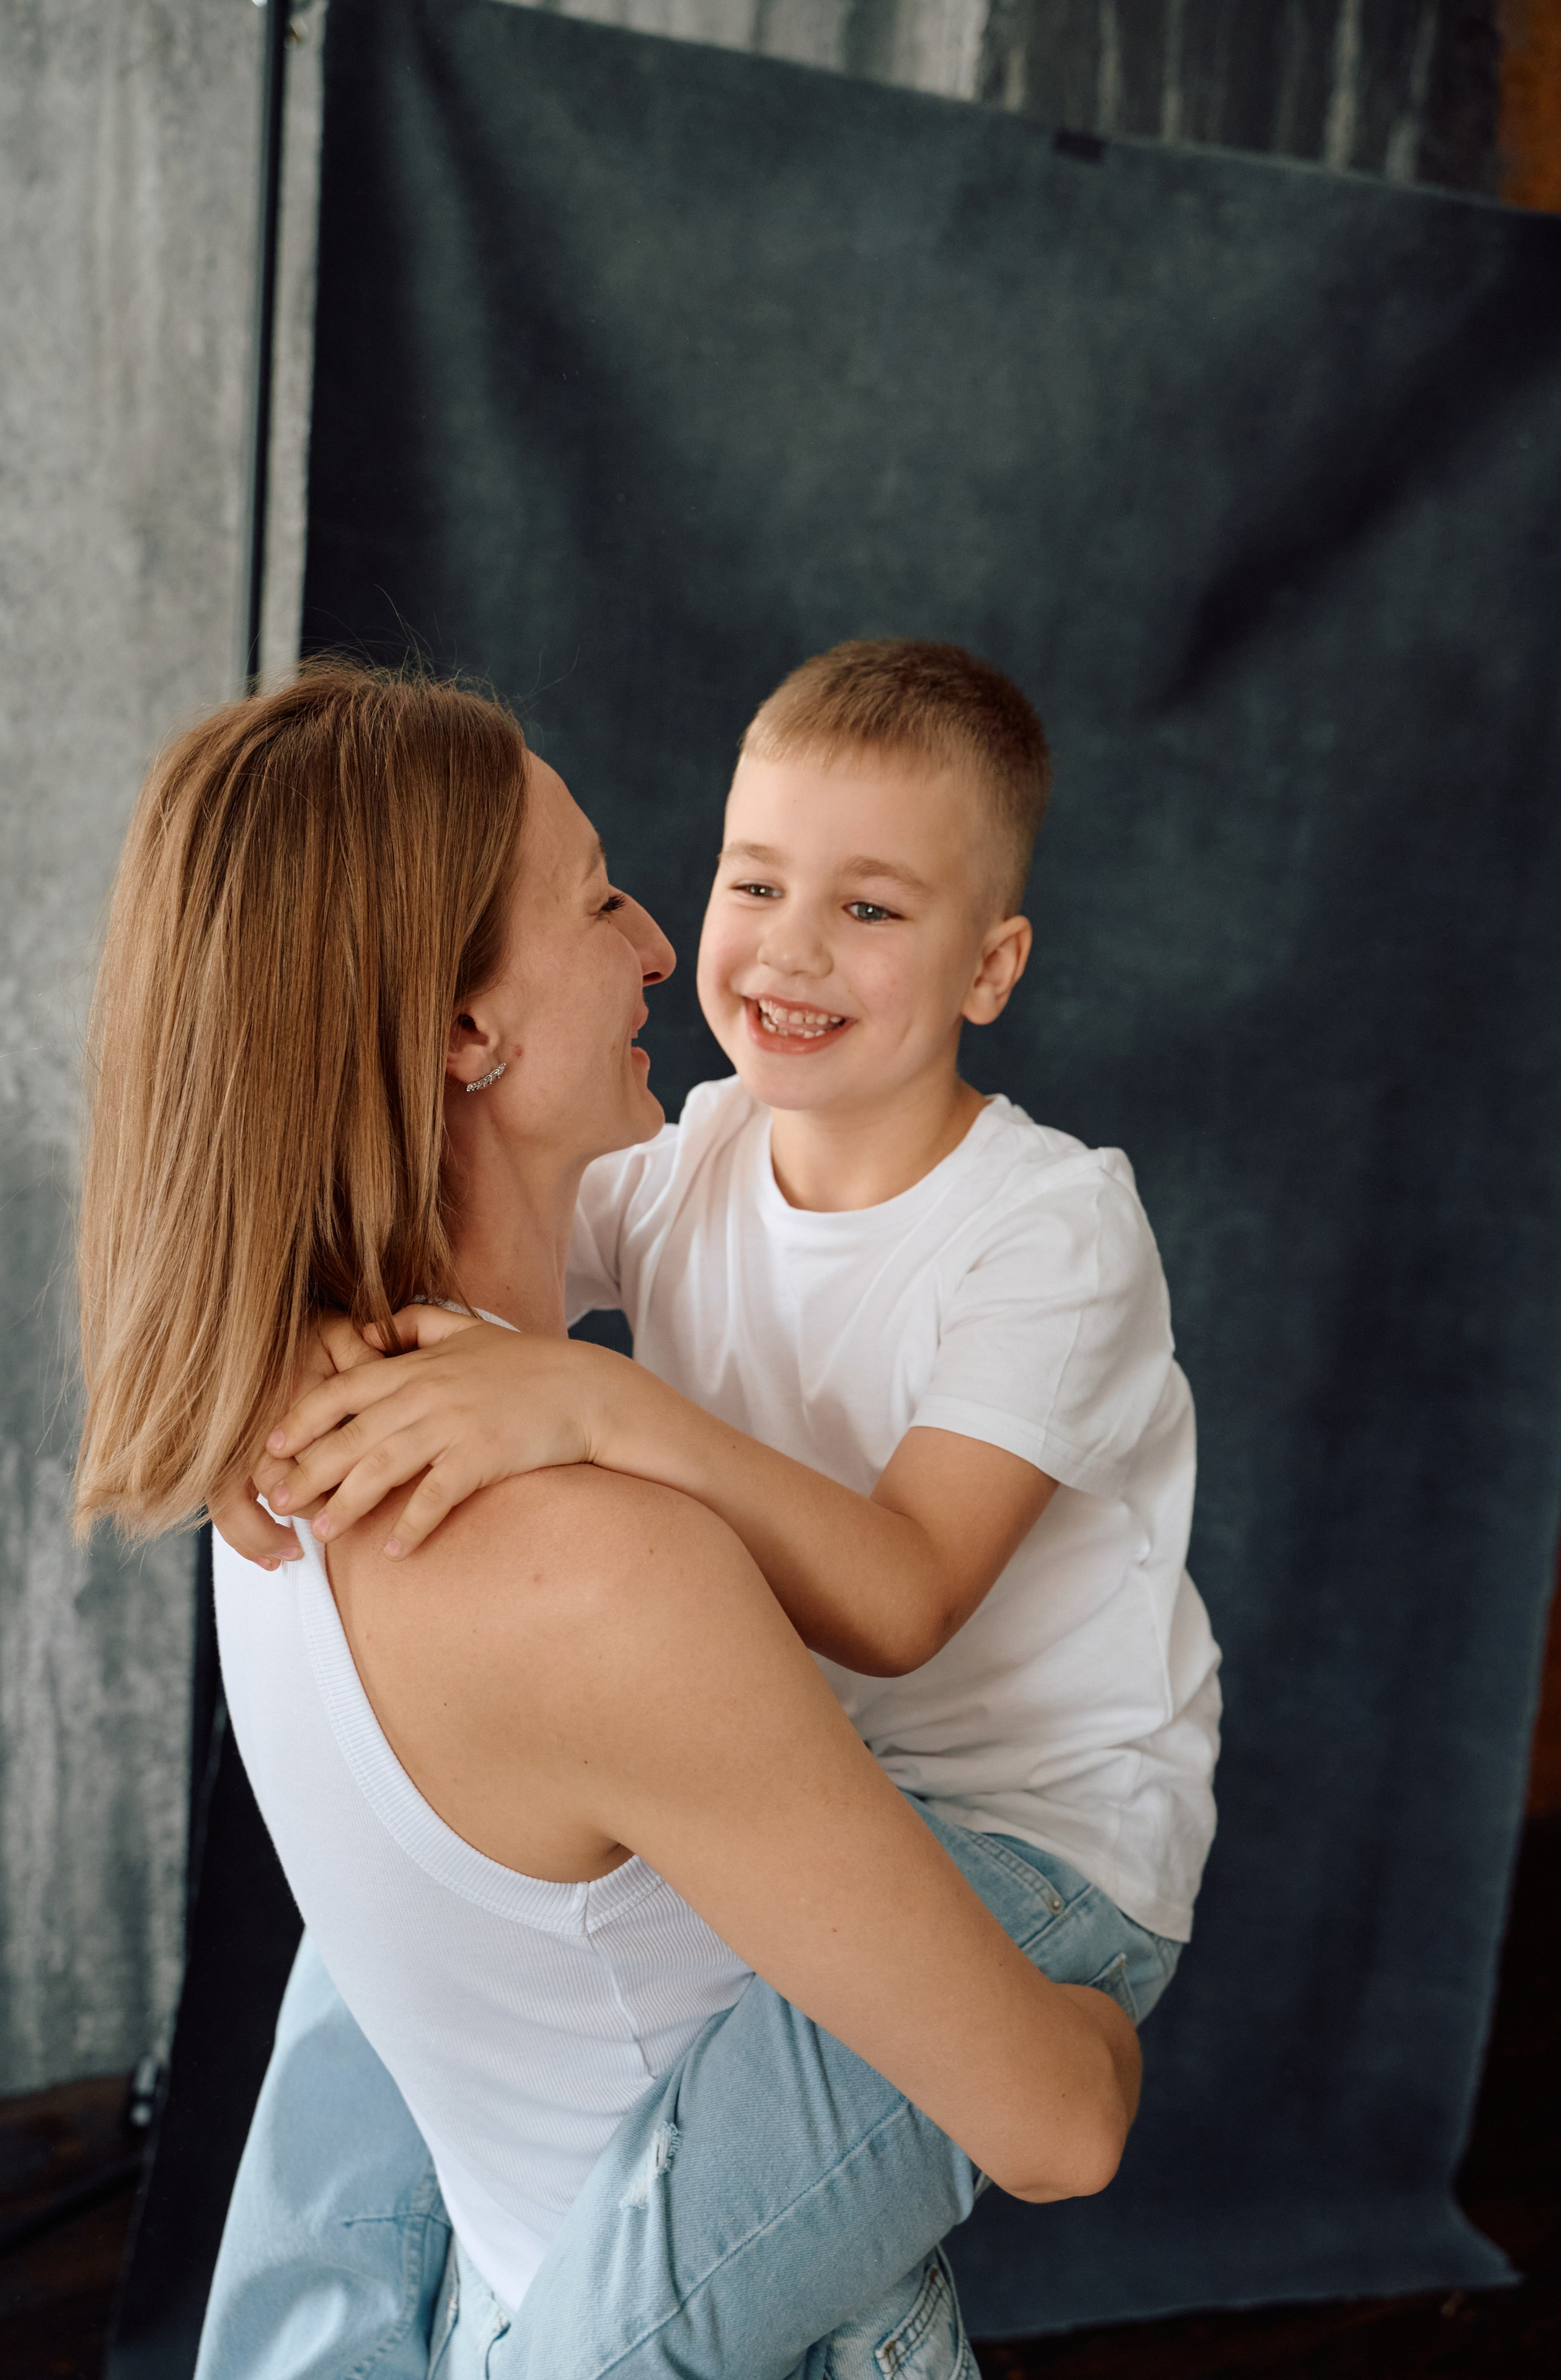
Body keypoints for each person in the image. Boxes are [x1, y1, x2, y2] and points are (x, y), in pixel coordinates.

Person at [74, 662, 1146, 2380]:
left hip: (497, 2283)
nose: (663, 947)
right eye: (595, 900)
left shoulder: (284, 1447)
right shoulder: (600, 1572)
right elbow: (1055, 2126)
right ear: (462, 1032)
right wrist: (1097, 2026)